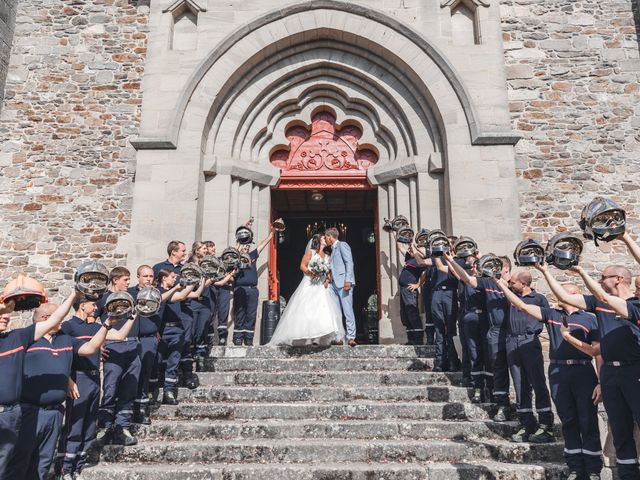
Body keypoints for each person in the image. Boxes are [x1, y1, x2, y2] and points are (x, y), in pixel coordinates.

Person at [538, 262, 640, 480]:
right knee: (620, 431)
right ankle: (628, 475)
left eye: (604, 277)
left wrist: (583, 272)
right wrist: (545, 271)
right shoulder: (598, 304)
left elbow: (604, 297)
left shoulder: (635, 304)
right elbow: (565, 297)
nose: (601, 280)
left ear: (618, 279)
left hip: (634, 371)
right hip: (611, 375)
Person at [500, 277, 602, 479]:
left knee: (587, 420)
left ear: (574, 295)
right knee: (568, 419)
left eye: (564, 292)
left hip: (583, 372)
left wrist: (600, 381)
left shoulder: (590, 319)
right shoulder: (553, 314)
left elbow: (598, 352)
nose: (558, 296)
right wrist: (499, 283)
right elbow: (521, 305)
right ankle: (574, 467)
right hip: (558, 372)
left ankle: (592, 470)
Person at [4, 293, 112, 480]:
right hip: (30, 412)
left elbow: (90, 348)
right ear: (46, 319)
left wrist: (108, 324)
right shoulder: (27, 339)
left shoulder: (65, 338)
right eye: (59, 317)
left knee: (44, 463)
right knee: (20, 461)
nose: (62, 320)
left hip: (55, 413)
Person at [0, 292, 80, 478]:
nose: (5, 316)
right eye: (1, 314)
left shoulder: (18, 337)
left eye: (6, 314)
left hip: (11, 415)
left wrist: (75, 293)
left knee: (7, 464)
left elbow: (56, 319)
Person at [445, 251, 511, 422]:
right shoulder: (486, 283)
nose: (490, 269)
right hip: (493, 329)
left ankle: (510, 403)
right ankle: (494, 398)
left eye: (494, 266)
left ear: (505, 268)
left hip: (512, 332)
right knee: (490, 362)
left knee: (510, 370)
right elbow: (467, 278)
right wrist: (450, 259)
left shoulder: (515, 284)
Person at [54, 295, 102, 480]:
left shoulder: (96, 327)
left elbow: (118, 336)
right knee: (75, 424)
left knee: (90, 426)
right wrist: (68, 379)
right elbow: (61, 354)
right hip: (78, 378)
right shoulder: (68, 326)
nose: (96, 307)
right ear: (82, 306)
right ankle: (64, 470)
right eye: (93, 304)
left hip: (95, 379)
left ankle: (77, 468)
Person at [267, 234, 345, 346]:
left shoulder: (327, 255)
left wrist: (327, 280)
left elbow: (328, 271)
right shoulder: (310, 253)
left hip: (321, 287)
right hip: (310, 283)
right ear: (318, 241)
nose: (325, 239)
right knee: (308, 309)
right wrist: (311, 273)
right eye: (323, 238)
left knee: (321, 311)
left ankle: (318, 337)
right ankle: (308, 336)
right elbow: (302, 266)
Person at [95, 267, 141, 447]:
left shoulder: (131, 298)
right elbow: (92, 324)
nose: (128, 283)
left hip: (133, 346)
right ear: (115, 280)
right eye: (125, 279)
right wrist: (98, 346)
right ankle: (104, 427)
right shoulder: (102, 299)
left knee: (130, 388)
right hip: (113, 347)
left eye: (129, 280)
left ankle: (123, 427)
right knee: (110, 387)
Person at [450, 255, 492, 402]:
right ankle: (477, 387)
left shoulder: (489, 282)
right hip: (470, 319)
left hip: (486, 320)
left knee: (488, 354)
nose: (474, 268)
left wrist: (479, 257)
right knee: (474, 353)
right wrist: (449, 259)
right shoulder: (468, 279)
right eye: (473, 266)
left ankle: (491, 389)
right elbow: (457, 272)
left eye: (476, 266)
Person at [128, 265, 163, 425]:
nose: (149, 279)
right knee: (133, 375)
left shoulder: (156, 294)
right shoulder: (130, 294)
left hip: (150, 340)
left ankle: (141, 409)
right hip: (133, 339)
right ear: (138, 277)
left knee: (145, 376)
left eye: (151, 276)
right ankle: (129, 409)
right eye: (145, 276)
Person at [155, 269, 196, 405]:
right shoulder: (157, 292)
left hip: (177, 329)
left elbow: (183, 296)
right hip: (163, 330)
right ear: (164, 279)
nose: (175, 279)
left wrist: (195, 279)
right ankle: (153, 392)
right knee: (158, 361)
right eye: (172, 277)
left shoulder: (174, 291)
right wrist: (177, 288)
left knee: (174, 362)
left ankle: (169, 392)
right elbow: (164, 298)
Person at [233, 226, 274, 346]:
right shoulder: (234, 258)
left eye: (247, 247)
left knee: (251, 313)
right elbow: (235, 249)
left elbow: (261, 245)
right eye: (244, 246)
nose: (245, 248)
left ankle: (249, 338)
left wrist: (271, 236)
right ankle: (238, 337)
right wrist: (241, 239)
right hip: (239, 288)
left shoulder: (252, 256)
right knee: (240, 312)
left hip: (252, 289)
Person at [324, 227, 357, 346]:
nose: (325, 239)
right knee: (336, 312)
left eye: (326, 237)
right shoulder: (332, 250)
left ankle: (351, 337)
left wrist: (348, 280)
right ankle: (339, 337)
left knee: (347, 310)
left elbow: (349, 262)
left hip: (343, 283)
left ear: (330, 236)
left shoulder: (343, 245)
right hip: (333, 284)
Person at [396, 241, 427, 345]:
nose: (409, 251)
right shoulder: (410, 259)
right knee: (405, 315)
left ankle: (418, 340)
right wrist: (397, 233)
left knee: (412, 313)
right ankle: (411, 339)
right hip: (403, 289)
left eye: (411, 250)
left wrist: (418, 284)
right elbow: (400, 246)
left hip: (410, 289)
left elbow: (424, 273)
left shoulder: (419, 261)